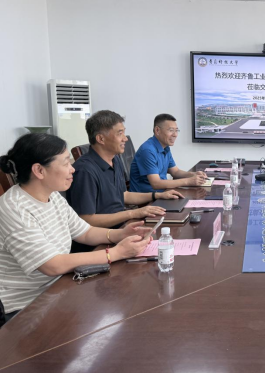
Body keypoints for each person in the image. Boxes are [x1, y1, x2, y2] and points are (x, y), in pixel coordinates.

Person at [0, 134, 153, 325]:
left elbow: (85, 232)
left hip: (59, 289)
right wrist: (116, 253)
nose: (72, 168)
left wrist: (120, 234)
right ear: (39, 170)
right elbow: (52, 265)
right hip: (25, 308)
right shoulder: (14, 208)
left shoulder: (53, 196)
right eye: (66, 163)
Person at [67, 111, 184, 231]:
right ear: (101, 139)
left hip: (121, 225)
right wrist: (133, 213)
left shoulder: (115, 160)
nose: (125, 138)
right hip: (103, 235)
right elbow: (86, 220)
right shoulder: (85, 171)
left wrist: (158, 195)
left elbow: (124, 195)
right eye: (120, 133)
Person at [130, 114, 207, 193]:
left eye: (176, 130)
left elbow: (175, 172)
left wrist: (193, 175)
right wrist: (188, 181)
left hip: (163, 193)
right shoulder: (147, 150)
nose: (175, 134)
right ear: (157, 130)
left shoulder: (165, 148)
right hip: (148, 198)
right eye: (171, 130)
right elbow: (156, 183)